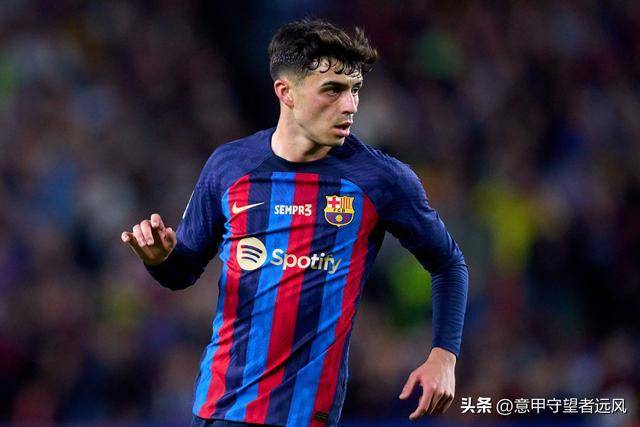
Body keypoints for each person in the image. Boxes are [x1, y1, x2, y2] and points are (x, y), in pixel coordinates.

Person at [121, 19, 468, 427]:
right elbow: (182, 272)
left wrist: (444, 355)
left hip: (307, 416)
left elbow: (448, 263)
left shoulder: (381, 179)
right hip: (220, 411)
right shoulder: (230, 167)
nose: (350, 105)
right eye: (333, 90)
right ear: (286, 92)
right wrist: (160, 259)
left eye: (355, 89)